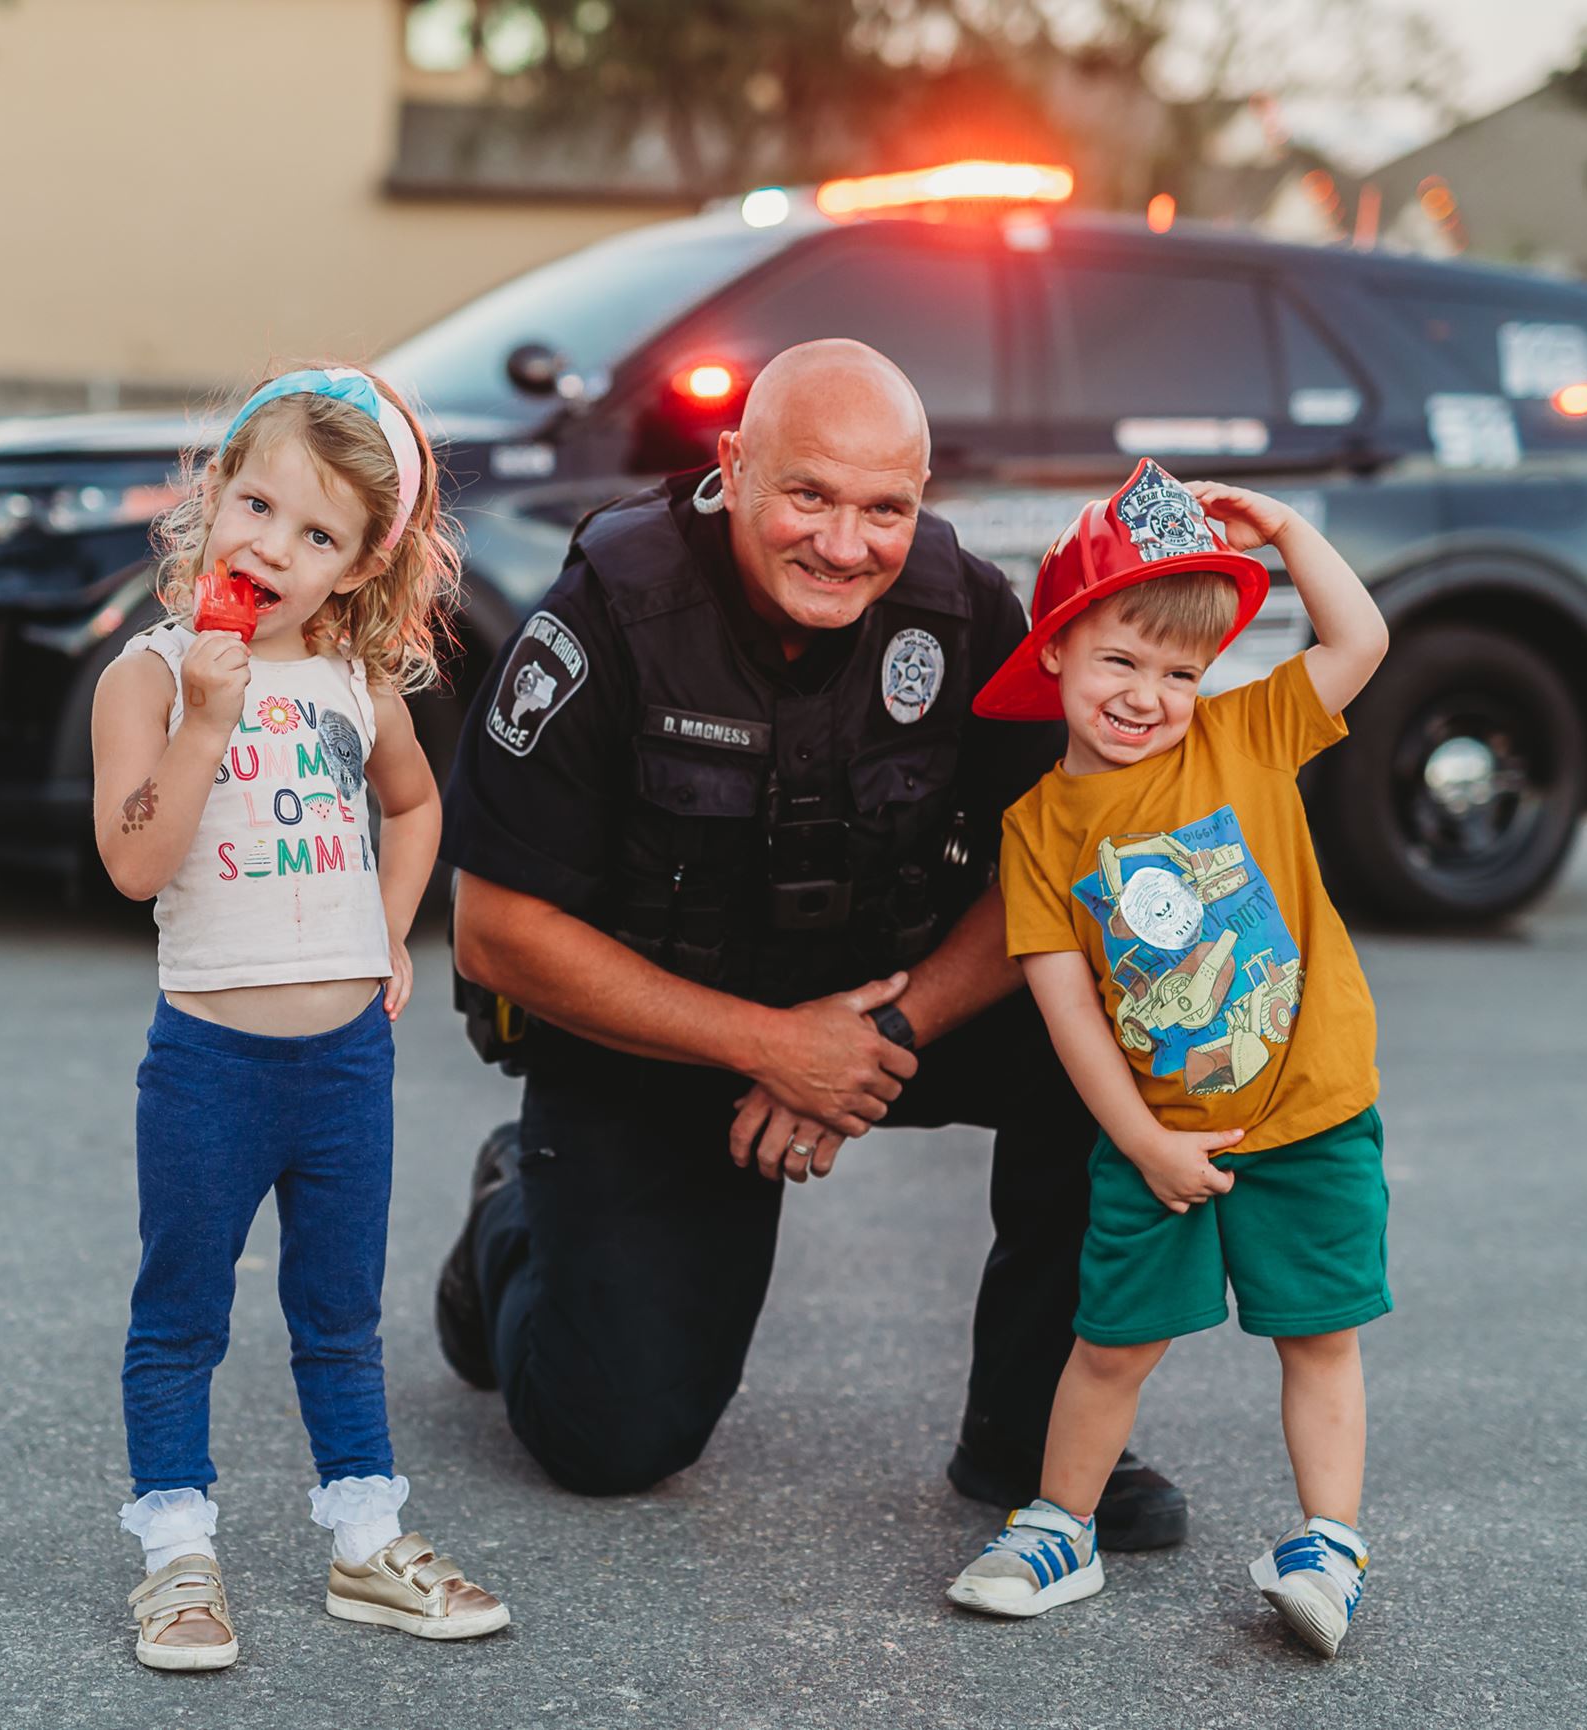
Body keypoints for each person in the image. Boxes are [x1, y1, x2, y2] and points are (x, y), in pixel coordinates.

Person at [429, 339, 1188, 1547]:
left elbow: (1058, 860)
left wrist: (883, 1034)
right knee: (611, 1441)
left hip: (885, 1007)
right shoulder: (606, 620)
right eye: (809, 495)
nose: (845, 545)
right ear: (731, 466)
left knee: (1113, 1035)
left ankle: (1027, 1434)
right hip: (660, 1035)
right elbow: (495, 932)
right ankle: (511, 1211)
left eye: (884, 507)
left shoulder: (960, 610)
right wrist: (772, 1047)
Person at [91, 364, 509, 1672]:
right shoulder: (150, 676)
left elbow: (418, 805)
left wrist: (387, 924)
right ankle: (177, 1555)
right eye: (258, 504)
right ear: (211, 494)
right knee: (182, 1310)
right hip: (210, 1059)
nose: (274, 545)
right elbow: (131, 863)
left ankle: (365, 1539)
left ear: (356, 569)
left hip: (344, 1063)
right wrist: (206, 717)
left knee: (339, 1311)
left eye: (318, 534)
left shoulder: (348, 677)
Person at [941, 459, 1391, 1660]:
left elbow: (1361, 637)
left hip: (1312, 1108)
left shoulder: (1248, 733)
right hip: (1155, 1132)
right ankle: (1057, 1526)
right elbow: (1066, 1004)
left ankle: (1326, 1544)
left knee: (1320, 1333)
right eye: (1120, 662)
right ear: (1053, 653)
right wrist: (1139, 1139)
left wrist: (1288, 529)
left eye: (1180, 671)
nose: (1149, 695)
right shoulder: (1038, 827)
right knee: (1110, 1341)